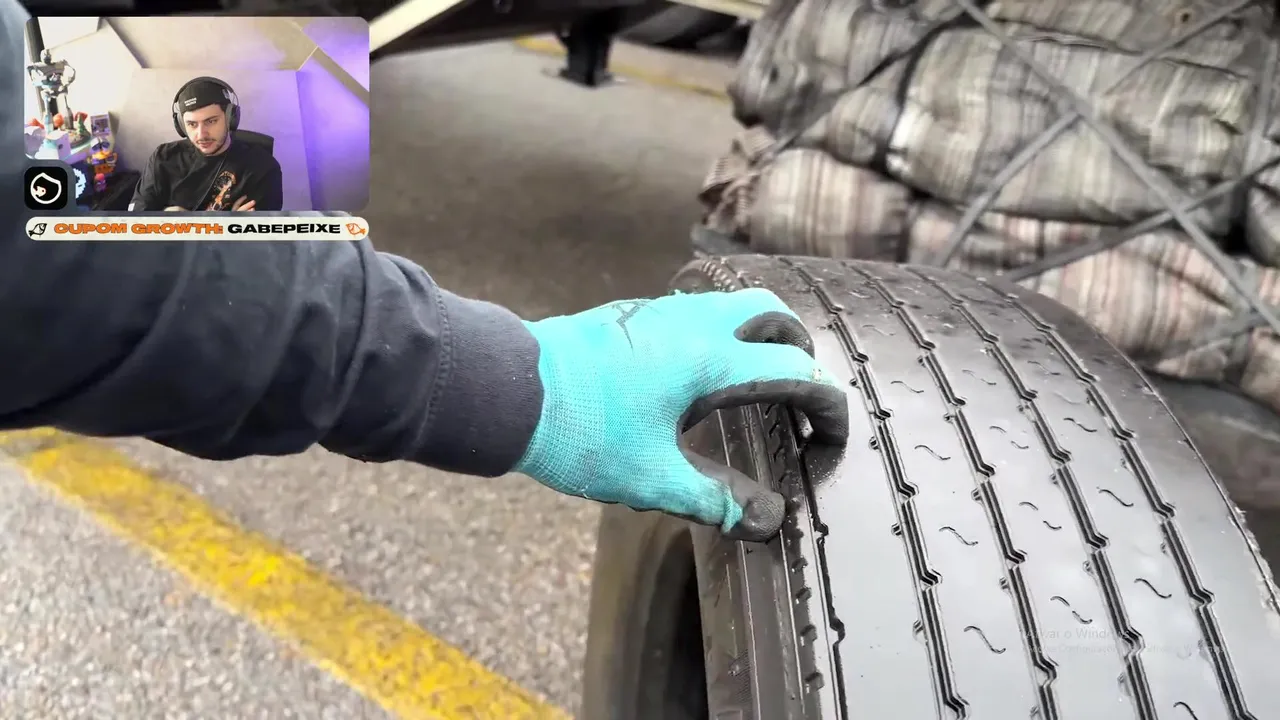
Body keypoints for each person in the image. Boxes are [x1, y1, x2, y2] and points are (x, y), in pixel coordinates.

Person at [4, 0, 847, 541]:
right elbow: (42, 260)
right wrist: (530, 383)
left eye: (211, 118)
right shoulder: (161, 161)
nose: (202, 131)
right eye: (191, 122)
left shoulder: (256, 159)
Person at [128, 76, 284, 212]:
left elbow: (260, 231)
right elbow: (136, 220)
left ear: (230, 118)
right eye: (192, 124)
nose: (201, 134)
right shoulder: (163, 158)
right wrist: (227, 224)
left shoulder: (261, 167)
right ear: (181, 126)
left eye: (211, 121)